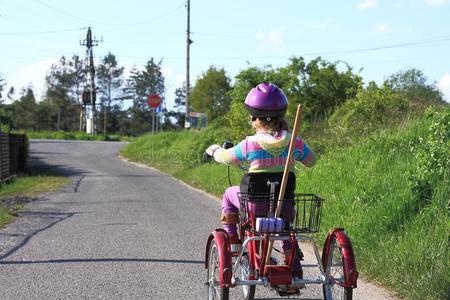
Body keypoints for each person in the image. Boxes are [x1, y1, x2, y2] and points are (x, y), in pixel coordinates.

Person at [205, 83, 316, 278]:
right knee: (284, 223)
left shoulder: (249, 144)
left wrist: (215, 151)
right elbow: (311, 161)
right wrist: (294, 152)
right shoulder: (293, 142)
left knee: (229, 194)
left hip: (254, 208)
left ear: (255, 117)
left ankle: (232, 239)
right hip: (284, 206)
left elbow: (227, 157)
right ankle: (292, 258)